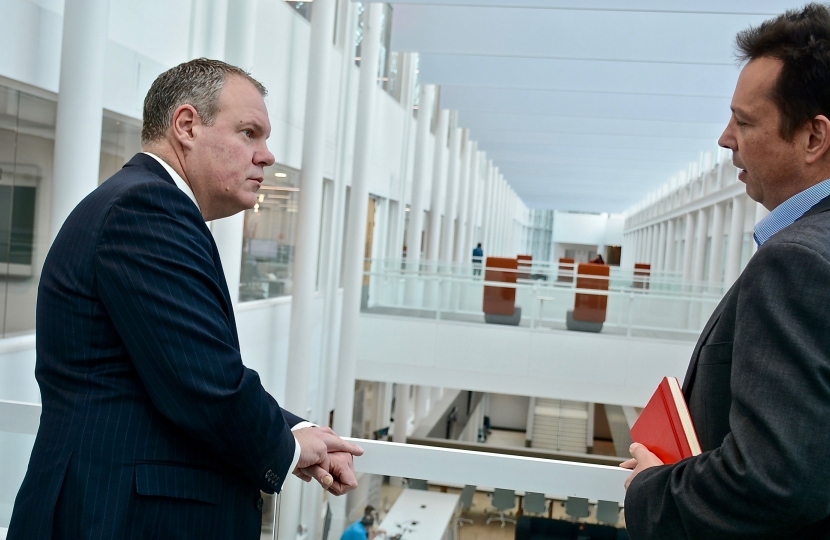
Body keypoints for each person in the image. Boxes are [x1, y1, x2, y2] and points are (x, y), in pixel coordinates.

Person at [7, 59, 363, 539]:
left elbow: (167, 376)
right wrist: (289, 450)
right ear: (187, 125)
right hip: (114, 516)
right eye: (249, 133)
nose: (267, 155)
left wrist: (293, 431)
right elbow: (205, 384)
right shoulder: (147, 208)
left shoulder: (147, 204)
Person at [623, 5, 830, 538]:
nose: (724, 138)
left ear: (814, 138)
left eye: (744, 121)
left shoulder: (797, 262)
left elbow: (775, 481)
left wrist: (655, 488)